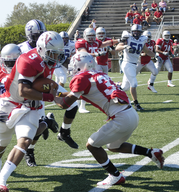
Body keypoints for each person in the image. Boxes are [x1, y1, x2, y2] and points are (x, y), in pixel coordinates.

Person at [54, 51, 165, 186]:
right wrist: (57, 92)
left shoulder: (81, 78)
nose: (71, 68)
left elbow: (64, 104)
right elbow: (76, 94)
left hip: (121, 118)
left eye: (73, 65)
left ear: (79, 65)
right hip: (131, 114)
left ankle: (115, 175)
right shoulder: (99, 74)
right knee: (113, 146)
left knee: (92, 145)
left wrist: (48, 95)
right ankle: (151, 153)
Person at [0, 31, 66, 191]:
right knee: (1, 144)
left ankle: (0, 180)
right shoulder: (28, 61)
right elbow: (24, 91)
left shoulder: (45, 61)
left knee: (24, 141)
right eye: (53, 54)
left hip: (29, 106)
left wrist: (69, 96)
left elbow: (51, 86)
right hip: (9, 103)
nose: (56, 58)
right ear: (43, 50)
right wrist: (52, 97)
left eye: (58, 54)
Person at [0, 43, 59, 168]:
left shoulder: (26, 65)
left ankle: (31, 149)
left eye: (14, 62)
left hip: (30, 102)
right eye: (8, 62)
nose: (11, 65)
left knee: (30, 134)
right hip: (7, 103)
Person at [18, 20, 79, 154]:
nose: (38, 38)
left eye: (40, 34)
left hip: (47, 84)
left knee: (73, 102)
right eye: (35, 35)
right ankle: (31, 150)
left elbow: (61, 59)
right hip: (31, 88)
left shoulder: (50, 44)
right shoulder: (21, 49)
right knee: (34, 127)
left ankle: (64, 132)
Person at [75, 27, 120, 113]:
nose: (91, 37)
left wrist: (118, 40)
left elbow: (104, 44)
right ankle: (79, 105)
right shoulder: (81, 42)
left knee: (89, 84)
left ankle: (81, 105)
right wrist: (97, 53)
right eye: (89, 35)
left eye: (93, 35)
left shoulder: (95, 42)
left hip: (90, 65)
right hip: (80, 65)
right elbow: (84, 53)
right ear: (85, 35)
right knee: (81, 85)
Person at [115, 24, 155, 111]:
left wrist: (155, 55)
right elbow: (117, 47)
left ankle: (115, 87)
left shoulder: (142, 40)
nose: (136, 33)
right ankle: (136, 104)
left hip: (134, 64)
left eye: (138, 32)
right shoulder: (127, 37)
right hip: (127, 63)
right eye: (134, 31)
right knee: (134, 83)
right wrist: (125, 46)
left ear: (141, 32)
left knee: (125, 87)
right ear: (132, 32)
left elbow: (147, 51)